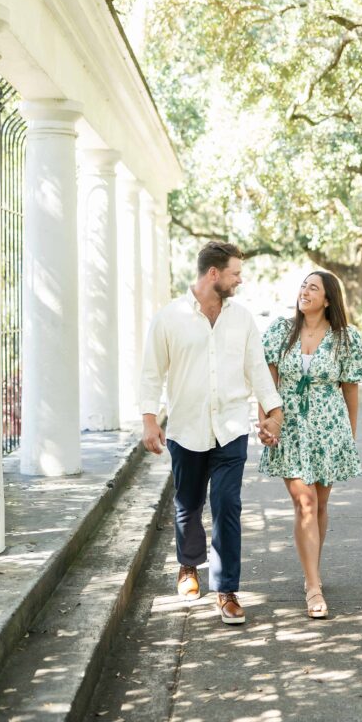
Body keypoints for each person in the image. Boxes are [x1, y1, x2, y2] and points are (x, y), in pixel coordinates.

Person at [140, 241, 283, 625]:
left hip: (231, 428)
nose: (241, 279)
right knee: (188, 504)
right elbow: (152, 373)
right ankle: (188, 566)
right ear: (214, 274)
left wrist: (274, 411)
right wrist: (150, 419)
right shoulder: (169, 318)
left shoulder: (243, 319)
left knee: (227, 505)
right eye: (236, 272)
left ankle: (226, 589)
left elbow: (256, 368)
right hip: (186, 428)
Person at [258, 271, 362, 619]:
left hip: (329, 430)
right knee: (304, 502)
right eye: (303, 286)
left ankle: (312, 573)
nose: (304, 292)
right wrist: (266, 422)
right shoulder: (280, 330)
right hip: (290, 428)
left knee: (319, 504)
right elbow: (267, 382)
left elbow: (350, 390)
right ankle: (314, 587)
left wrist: (349, 438)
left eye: (313, 288)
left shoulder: (345, 338)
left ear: (328, 299)